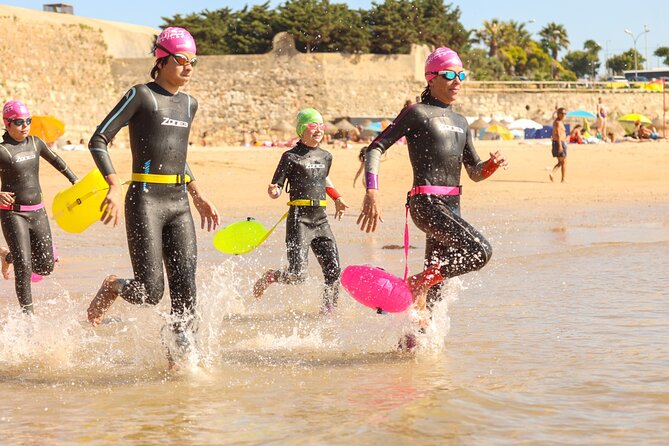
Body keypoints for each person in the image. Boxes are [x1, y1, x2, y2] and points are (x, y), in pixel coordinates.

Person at [85, 27, 220, 367]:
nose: (188, 67)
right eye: (181, 60)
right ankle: (114, 285)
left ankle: (178, 360)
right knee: (151, 291)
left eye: (193, 62)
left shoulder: (190, 104)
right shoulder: (141, 95)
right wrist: (114, 186)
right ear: (161, 60)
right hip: (145, 199)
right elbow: (99, 139)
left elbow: (175, 152)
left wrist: (197, 192)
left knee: (187, 292)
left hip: (179, 202)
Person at [356, 47, 508, 347]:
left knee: (436, 303)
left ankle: (408, 354)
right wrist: (371, 192)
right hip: (426, 204)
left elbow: (474, 172)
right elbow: (375, 147)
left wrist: (490, 166)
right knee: (480, 251)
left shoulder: (462, 122)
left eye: (461, 75)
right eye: (449, 75)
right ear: (431, 78)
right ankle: (417, 283)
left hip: (452, 207)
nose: (457, 81)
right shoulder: (416, 113)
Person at [253, 108, 349, 315]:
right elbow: (276, 185)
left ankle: (328, 312)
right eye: (312, 125)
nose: (318, 130)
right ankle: (271, 276)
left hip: (321, 219)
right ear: (301, 129)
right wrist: (274, 191)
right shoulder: (290, 157)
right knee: (297, 275)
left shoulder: (326, 156)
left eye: (321, 125)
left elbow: (322, 179)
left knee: (333, 272)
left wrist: (337, 198)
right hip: (300, 219)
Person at [0, 100, 78, 313]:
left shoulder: (35, 143)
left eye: (28, 121)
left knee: (45, 266)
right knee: (24, 267)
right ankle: (28, 316)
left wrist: (75, 181)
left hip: (38, 212)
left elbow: (57, 161)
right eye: (19, 122)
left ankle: (9, 256)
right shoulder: (2, 150)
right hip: (12, 214)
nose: (25, 125)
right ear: (7, 123)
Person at [550, 107, 568, 182]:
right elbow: (558, 134)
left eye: (565, 113)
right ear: (558, 114)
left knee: (561, 162)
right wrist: (560, 146)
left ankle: (553, 173)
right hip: (559, 143)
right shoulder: (557, 122)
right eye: (562, 113)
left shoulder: (559, 122)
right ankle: (563, 179)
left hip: (558, 143)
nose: (563, 115)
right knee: (564, 162)